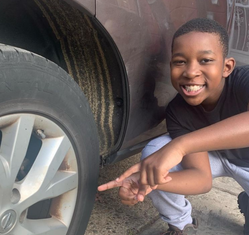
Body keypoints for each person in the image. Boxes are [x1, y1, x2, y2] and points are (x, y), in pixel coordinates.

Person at [98, 18, 249, 235]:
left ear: (227, 67)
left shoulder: (244, 81)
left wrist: (180, 146)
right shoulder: (178, 111)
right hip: (214, 156)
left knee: (170, 148)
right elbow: (201, 178)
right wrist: (150, 179)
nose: (190, 71)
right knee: (156, 154)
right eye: (180, 62)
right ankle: (181, 225)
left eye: (205, 60)